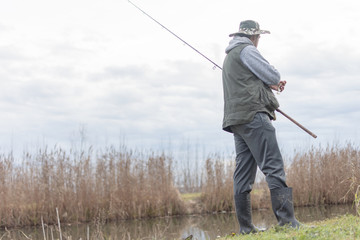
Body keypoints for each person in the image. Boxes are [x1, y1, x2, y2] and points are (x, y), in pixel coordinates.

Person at [221, 20, 300, 234]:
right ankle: (287, 222)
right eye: (258, 37)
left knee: (243, 173)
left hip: (237, 120)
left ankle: (246, 228)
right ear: (254, 37)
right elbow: (273, 74)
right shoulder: (247, 50)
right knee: (273, 165)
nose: (258, 41)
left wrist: (268, 86)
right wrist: (273, 81)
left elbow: (249, 81)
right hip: (254, 116)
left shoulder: (230, 56)